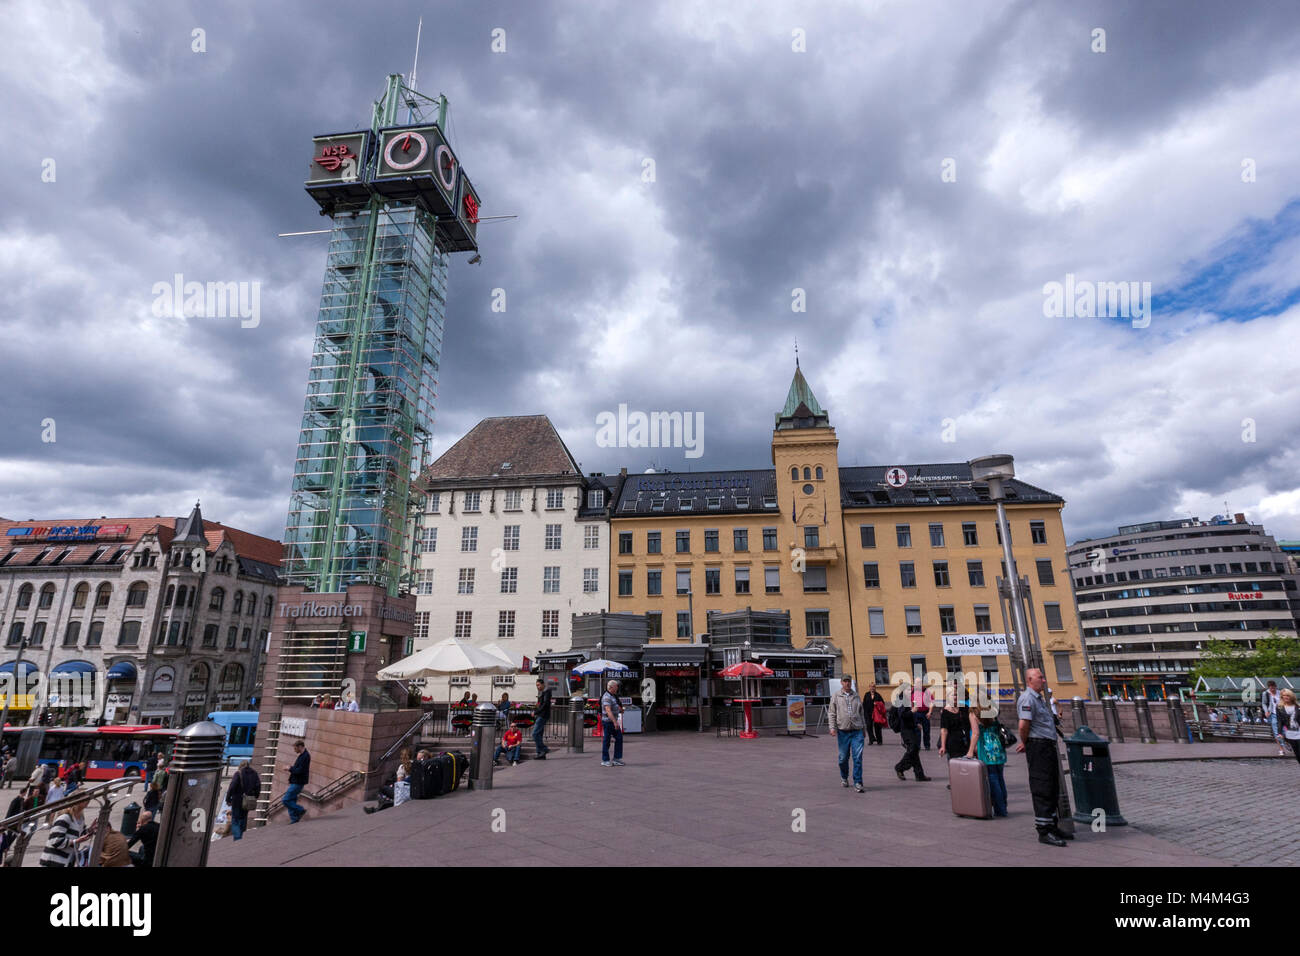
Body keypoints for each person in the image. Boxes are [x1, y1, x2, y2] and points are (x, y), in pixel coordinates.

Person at [1015, 667, 1069, 847]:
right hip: (1038, 747)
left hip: (1046, 746)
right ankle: (1044, 831)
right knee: (1043, 786)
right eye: (1040, 677)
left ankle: (1052, 825)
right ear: (1030, 679)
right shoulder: (1027, 698)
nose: (1044, 680)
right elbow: (1023, 725)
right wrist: (1026, 741)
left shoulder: (1039, 699)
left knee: (1052, 786)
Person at [828, 675, 867, 792]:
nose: (847, 683)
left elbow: (861, 713)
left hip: (857, 731)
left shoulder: (856, 696)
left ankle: (858, 782)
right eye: (845, 681)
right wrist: (832, 727)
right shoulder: (836, 696)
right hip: (843, 731)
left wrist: (864, 728)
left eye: (849, 681)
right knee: (843, 758)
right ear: (841, 683)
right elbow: (832, 713)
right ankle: (844, 777)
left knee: (858, 757)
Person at [938, 681, 979, 790]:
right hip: (953, 743)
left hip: (967, 741)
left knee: (969, 764)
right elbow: (944, 730)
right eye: (953, 695)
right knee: (956, 765)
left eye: (956, 694)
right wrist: (943, 745)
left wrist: (975, 743)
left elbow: (973, 725)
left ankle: (969, 784)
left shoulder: (965, 708)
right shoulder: (945, 712)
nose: (955, 697)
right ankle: (957, 785)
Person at [890, 686, 931, 782]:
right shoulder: (901, 701)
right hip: (906, 730)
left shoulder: (908, 700)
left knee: (914, 750)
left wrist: (916, 723)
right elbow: (902, 715)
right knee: (913, 748)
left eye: (910, 690)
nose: (910, 691)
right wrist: (912, 711)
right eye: (908, 690)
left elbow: (911, 716)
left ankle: (919, 774)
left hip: (911, 728)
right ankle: (899, 767)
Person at [974, 712, 1010, 817]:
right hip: (998, 749)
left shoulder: (974, 714)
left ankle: (1000, 809)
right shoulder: (992, 710)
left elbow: (976, 734)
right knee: (1000, 779)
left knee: (993, 780)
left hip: (987, 751)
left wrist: (971, 751)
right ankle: (1004, 806)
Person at [39, 795, 88, 867]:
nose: (88, 801)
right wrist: (75, 841)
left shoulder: (80, 818)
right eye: (85, 799)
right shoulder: (65, 818)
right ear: (77, 801)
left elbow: (79, 834)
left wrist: (90, 830)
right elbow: (55, 841)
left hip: (67, 861)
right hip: (53, 862)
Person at [225, 759, 260, 841]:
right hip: (248, 801)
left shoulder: (238, 773)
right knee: (243, 818)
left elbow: (232, 787)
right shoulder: (254, 774)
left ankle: (238, 837)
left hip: (237, 800)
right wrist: (255, 796)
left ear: (240, 766)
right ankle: (241, 834)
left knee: (235, 819)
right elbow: (258, 786)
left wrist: (228, 799)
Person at [281, 739, 310, 824]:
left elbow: (299, 771)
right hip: (296, 781)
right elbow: (298, 769)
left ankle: (300, 810)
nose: (294, 750)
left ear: (300, 747)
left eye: (295, 748)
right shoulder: (302, 755)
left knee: (285, 800)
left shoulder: (305, 756)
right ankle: (294, 818)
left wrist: (289, 768)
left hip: (298, 782)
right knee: (292, 800)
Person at [600, 679, 624, 767]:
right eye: (616, 686)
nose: (617, 687)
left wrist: (620, 709)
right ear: (611, 687)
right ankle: (605, 760)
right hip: (608, 722)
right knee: (607, 740)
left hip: (612, 721)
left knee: (619, 738)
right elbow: (608, 710)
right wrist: (615, 722)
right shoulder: (607, 697)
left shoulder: (613, 696)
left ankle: (616, 759)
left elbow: (615, 706)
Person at [1277, 689, 1300, 764]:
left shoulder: (1298, 706)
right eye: (1284, 695)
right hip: (1290, 734)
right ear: (1282, 697)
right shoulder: (1280, 708)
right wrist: (1279, 732)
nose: (1286, 697)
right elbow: (1280, 721)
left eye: (1287, 695)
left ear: (1291, 696)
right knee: (1297, 755)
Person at [533, 678, 553, 759]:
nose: (537, 687)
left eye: (538, 685)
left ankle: (544, 749)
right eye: (536, 685)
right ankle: (540, 754)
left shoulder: (547, 691)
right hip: (541, 714)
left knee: (534, 734)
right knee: (539, 734)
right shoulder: (544, 692)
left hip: (543, 715)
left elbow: (545, 704)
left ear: (543, 684)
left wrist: (536, 712)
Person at [1263, 681, 1283, 756]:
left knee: (1284, 731)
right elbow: (1264, 703)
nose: (1272, 689)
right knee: (1276, 732)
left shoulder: (1280, 693)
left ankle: (1286, 743)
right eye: (1270, 688)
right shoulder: (1266, 693)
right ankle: (1281, 749)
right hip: (1273, 714)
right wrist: (1266, 711)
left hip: (1282, 714)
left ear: (1276, 686)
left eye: (1273, 687)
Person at [912, 685, 933, 750]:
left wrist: (930, 712)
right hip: (916, 713)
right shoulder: (912, 692)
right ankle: (917, 746)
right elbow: (912, 703)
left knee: (926, 730)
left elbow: (931, 703)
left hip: (925, 713)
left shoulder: (927, 692)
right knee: (917, 730)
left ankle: (927, 745)